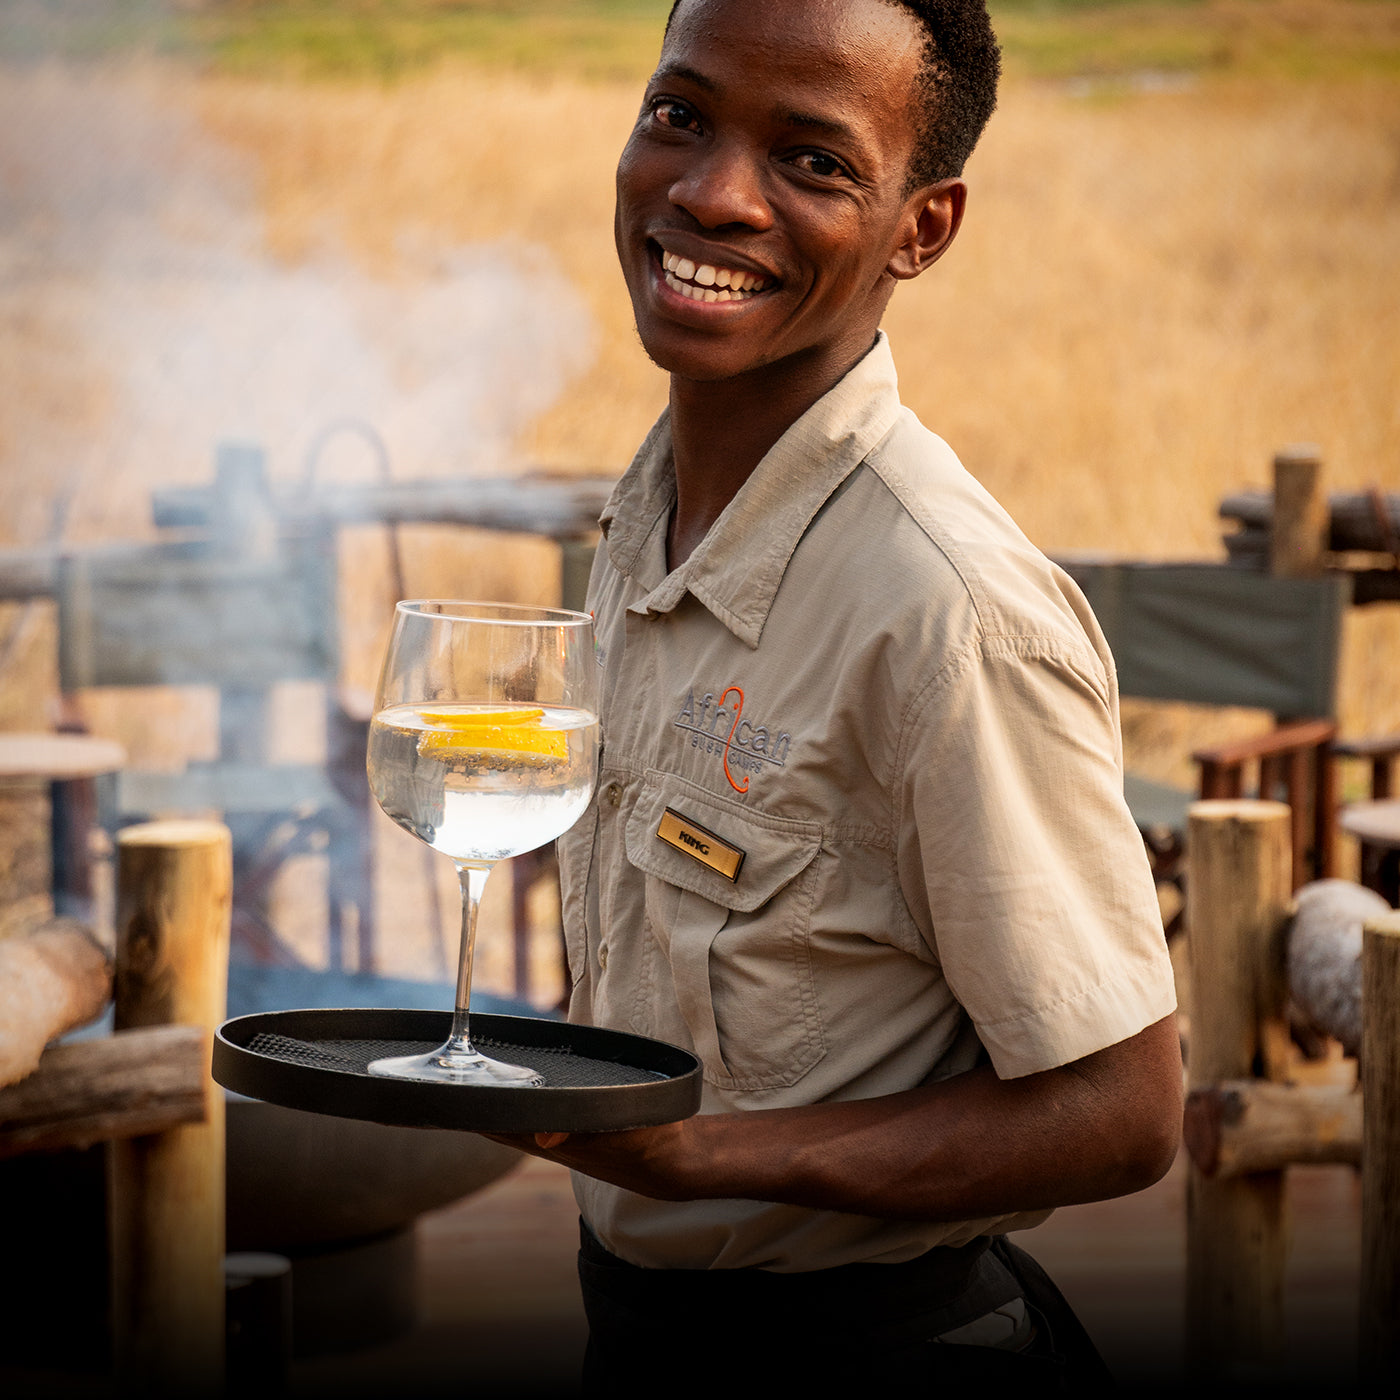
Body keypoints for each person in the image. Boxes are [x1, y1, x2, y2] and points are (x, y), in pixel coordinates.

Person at [490, 0, 1183, 1389]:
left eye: (812, 160)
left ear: (923, 229)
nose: (712, 194)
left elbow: (1121, 1112)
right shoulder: (651, 515)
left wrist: (705, 1155)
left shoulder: (947, 614)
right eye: (680, 115)